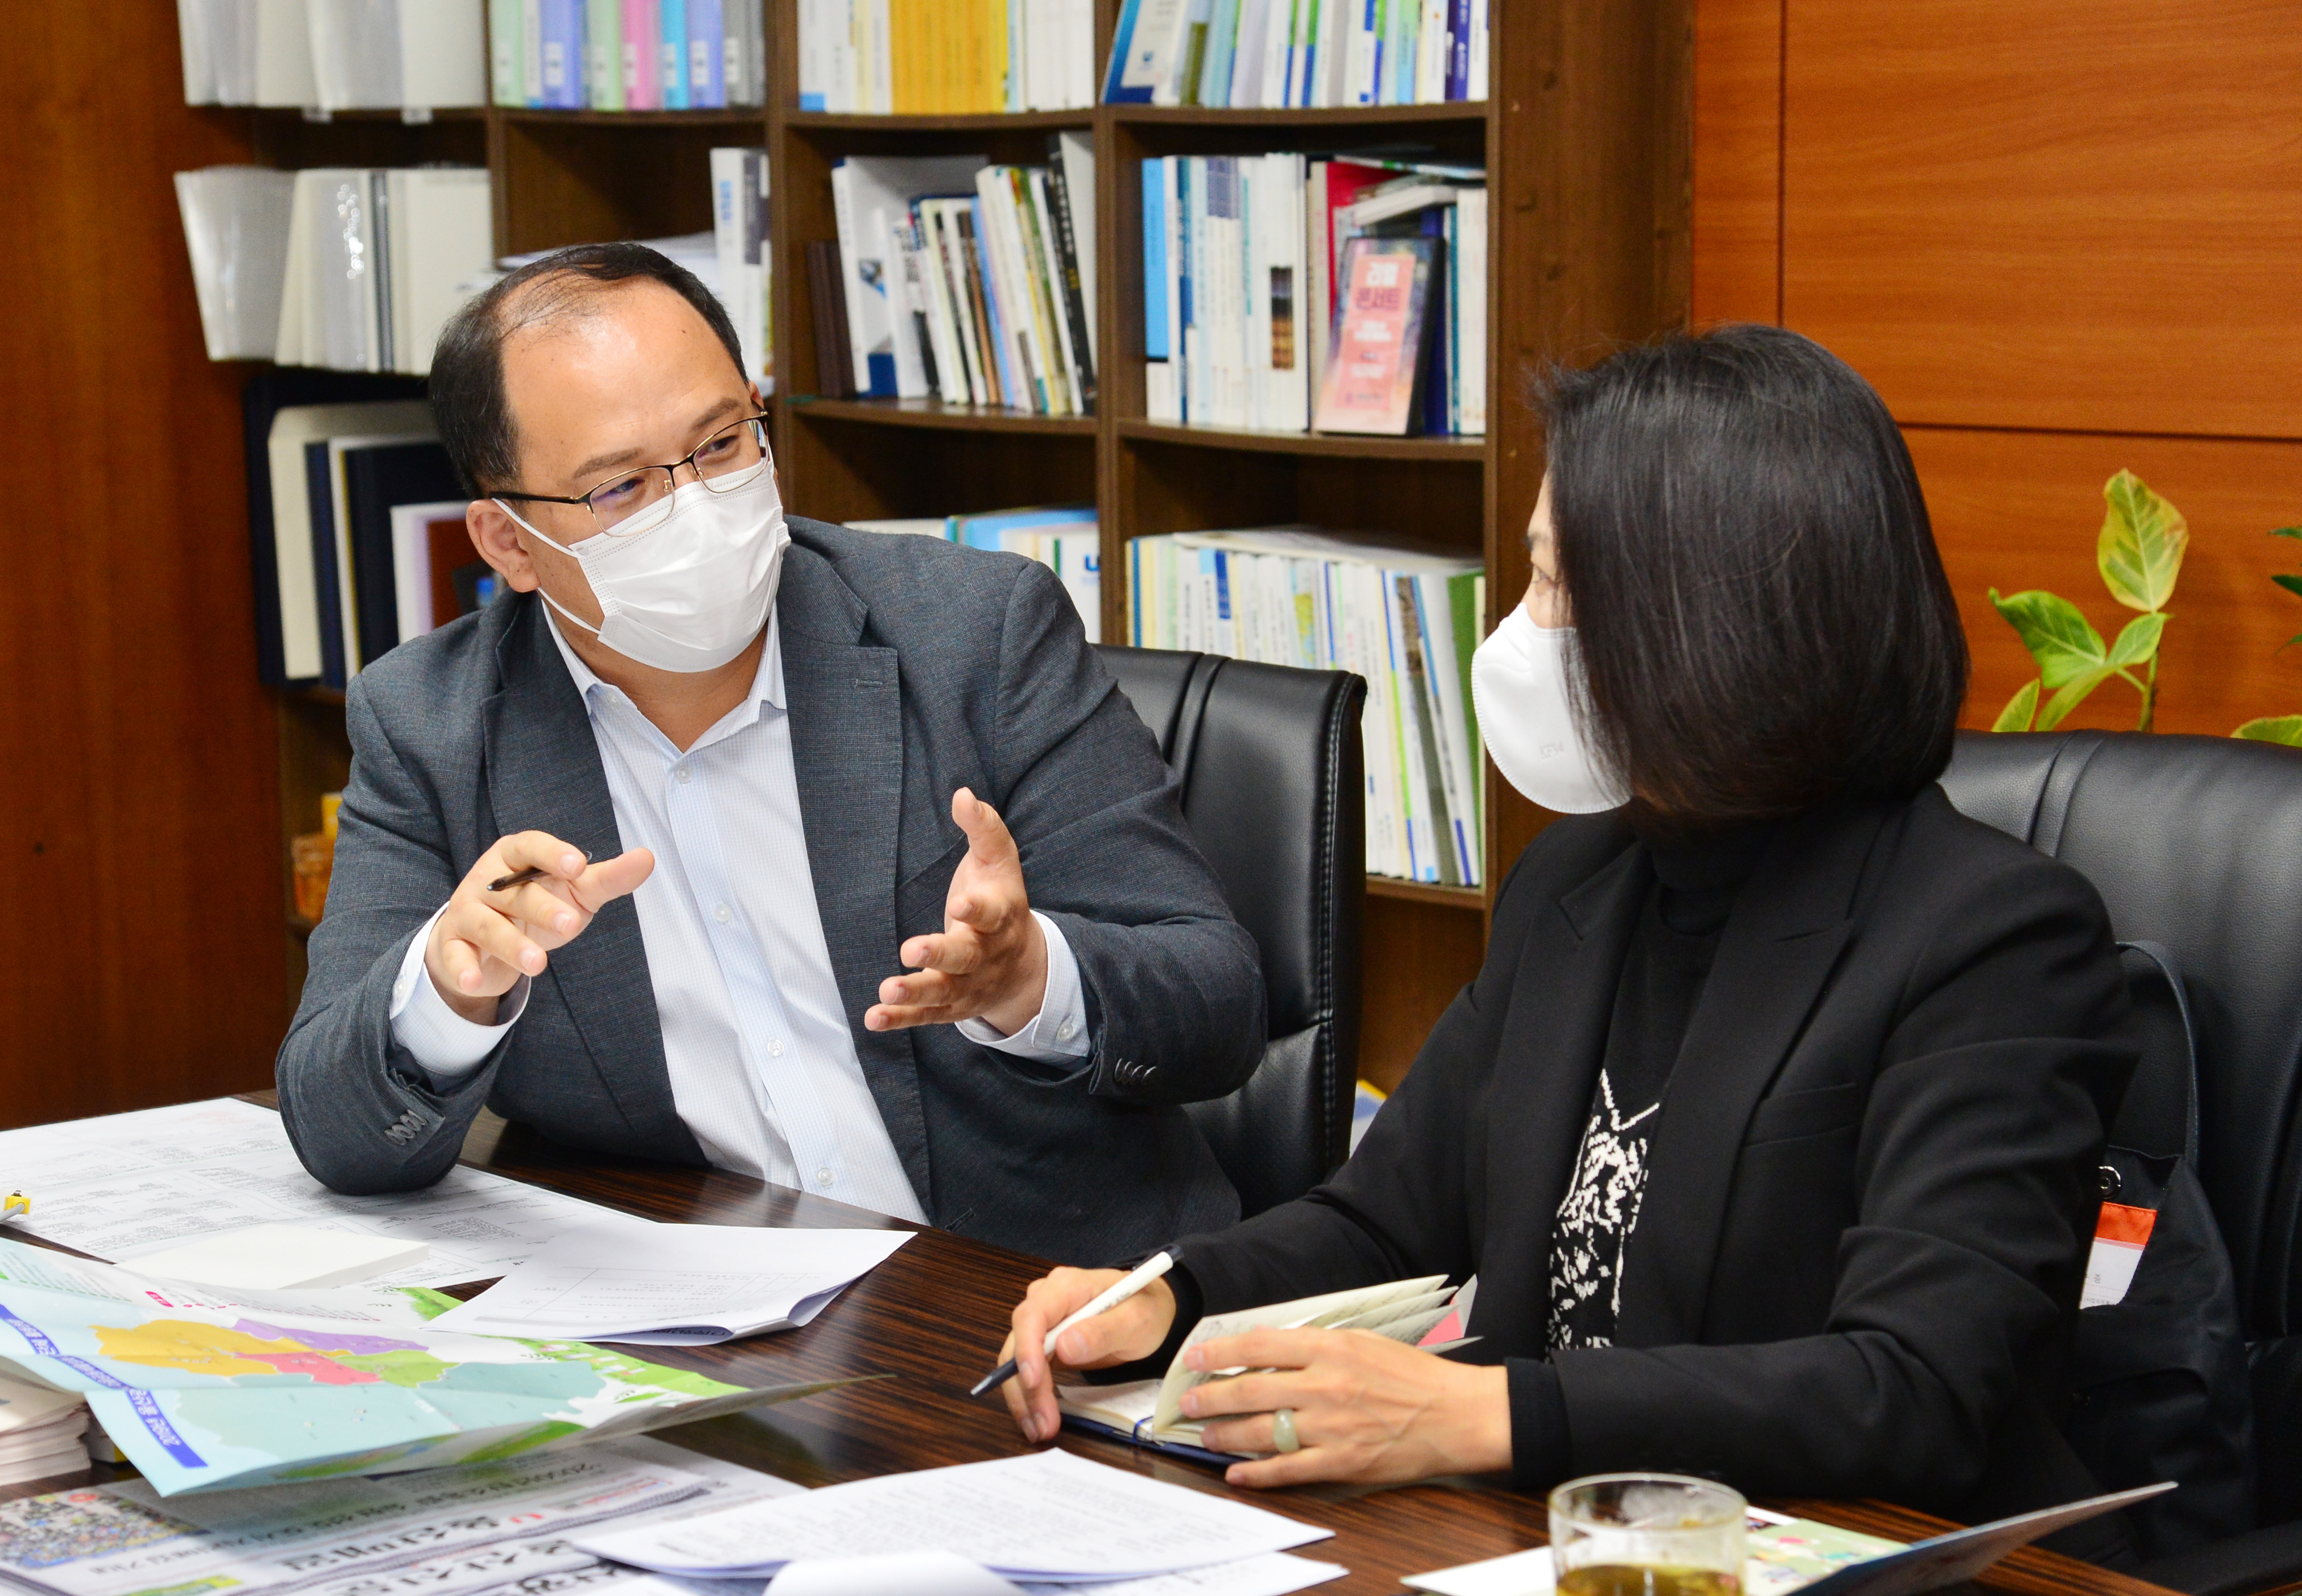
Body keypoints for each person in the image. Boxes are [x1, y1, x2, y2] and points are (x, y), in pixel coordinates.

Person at [999, 325, 2139, 1521]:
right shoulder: (1578, 882)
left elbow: (1914, 1388)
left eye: (1554, 586)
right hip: (1554, 1537)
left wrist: (1489, 1416)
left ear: (1702, 630)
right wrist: (1168, 1296)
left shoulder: (1993, 940)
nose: (1522, 631)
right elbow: (1387, 1212)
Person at [276, 243, 1266, 1266]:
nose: (694, 505)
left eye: (719, 445)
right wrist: (450, 995)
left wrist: (1030, 981)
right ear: (509, 543)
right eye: (621, 487)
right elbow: (340, 1136)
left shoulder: (975, 632)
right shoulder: (430, 726)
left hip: (1042, 1298)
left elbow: (1219, 1006)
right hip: (714, 1328)